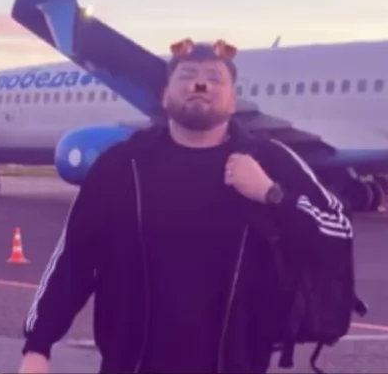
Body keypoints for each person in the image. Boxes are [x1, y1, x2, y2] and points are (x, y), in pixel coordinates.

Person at [18, 39, 354, 374]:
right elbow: (75, 260)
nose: (200, 85)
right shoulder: (122, 165)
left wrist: (271, 194)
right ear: (165, 96)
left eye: (215, 78)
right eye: (187, 76)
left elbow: (338, 236)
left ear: (233, 101)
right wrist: (37, 346)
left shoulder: (270, 161)